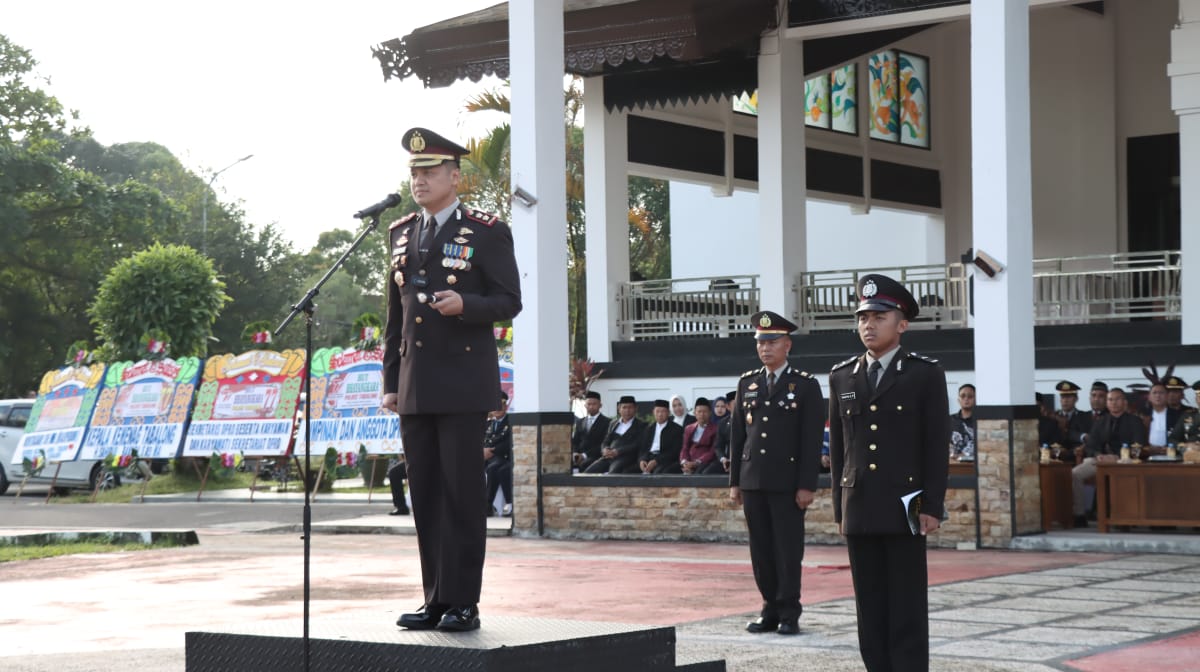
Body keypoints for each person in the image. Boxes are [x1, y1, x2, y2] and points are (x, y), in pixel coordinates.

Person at [383, 127, 522, 633]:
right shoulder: (401, 232)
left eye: (429, 171)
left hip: (462, 383)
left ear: (455, 177)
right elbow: (395, 316)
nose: (419, 181)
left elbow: (509, 301)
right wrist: (391, 382)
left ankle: (464, 601)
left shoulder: (486, 231)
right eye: (414, 173)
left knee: (462, 495)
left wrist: (467, 305)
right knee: (425, 494)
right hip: (415, 386)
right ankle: (435, 599)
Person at [828, 274, 949, 671]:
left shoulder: (924, 373)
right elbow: (841, 450)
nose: (869, 325)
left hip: (905, 505)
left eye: (879, 317)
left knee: (907, 602)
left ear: (902, 324)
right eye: (863, 317)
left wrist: (933, 505)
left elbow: (935, 445)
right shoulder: (842, 375)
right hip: (859, 504)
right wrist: (840, 508)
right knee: (869, 603)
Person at [729, 311, 824, 636]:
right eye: (761, 343)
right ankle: (769, 607)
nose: (765, 348)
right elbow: (738, 436)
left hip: (787, 483)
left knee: (787, 550)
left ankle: (788, 611)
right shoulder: (748, 383)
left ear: (787, 345)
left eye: (772, 342)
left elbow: (811, 440)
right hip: (753, 480)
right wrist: (735, 482)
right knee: (761, 551)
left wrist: (807, 484)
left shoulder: (805, 385)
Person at [1071, 387, 1146, 527]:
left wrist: (1117, 457)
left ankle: (1123, 516)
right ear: (1107, 403)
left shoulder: (1135, 421)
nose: (1114, 403)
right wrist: (1098, 455)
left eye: (1117, 399)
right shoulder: (1100, 421)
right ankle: (1079, 514)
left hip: (1124, 459)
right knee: (1075, 473)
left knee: (1124, 467)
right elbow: (1091, 446)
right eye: (1110, 400)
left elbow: (1138, 445)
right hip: (1101, 461)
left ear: (1125, 402)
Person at [586, 395, 646, 474]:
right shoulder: (613, 423)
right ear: (619, 409)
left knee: (613, 473)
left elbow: (637, 444)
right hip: (609, 456)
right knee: (589, 472)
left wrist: (618, 451)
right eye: (624, 407)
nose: (627, 410)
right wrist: (605, 449)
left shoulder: (641, 425)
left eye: (630, 407)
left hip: (626, 457)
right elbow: (606, 440)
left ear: (635, 409)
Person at [484, 391, 513, 517]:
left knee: (494, 468)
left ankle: (488, 505)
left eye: (500, 405)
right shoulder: (488, 424)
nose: (497, 409)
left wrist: (492, 451)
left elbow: (509, 442)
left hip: (502, 457)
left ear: (505, 406)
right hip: (487, 458)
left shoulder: (511, 422)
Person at [638, 399, 682, 474]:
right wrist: (642, 460)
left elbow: (675, 451)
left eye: (663, 411)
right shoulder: (648, 428)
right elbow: (642, 449)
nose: (660, 414)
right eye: (657, 411)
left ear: (668, 413)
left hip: (665, 460)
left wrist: (657, 461)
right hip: (649, 457)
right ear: (653, 412)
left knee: (658, 472)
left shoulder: (677, 429)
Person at [571, 391, 609, 473]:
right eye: (589, 404)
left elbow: (604, 443)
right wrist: (575, 453)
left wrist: (584, 455)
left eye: (594, 404)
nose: (591, 406)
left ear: (600, 405)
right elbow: (575, 441)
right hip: (578, 456)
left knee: (584, 465)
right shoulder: (580, 422)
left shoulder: (607, 422)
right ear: (585, 405)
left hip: (596, 456)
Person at [680, 397, 719, 474]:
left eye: (705, 412)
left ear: (710, 413)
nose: (702, 414)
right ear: (695, 413)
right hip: (689, 461)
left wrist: (697, 462)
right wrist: (684, 462)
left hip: (705, 462)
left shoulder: (716, 429)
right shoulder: (689, 428)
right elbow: (685, 448)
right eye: (699, 411)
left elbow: (712, 451)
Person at [948, 383, 976, 460]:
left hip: (974, 464)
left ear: (976, 399)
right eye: (963, 396)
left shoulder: (980, 421)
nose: (966, 399)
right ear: (958, 400)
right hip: (953, 463)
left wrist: (963, 455)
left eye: (970, 396)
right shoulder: (949, 420)